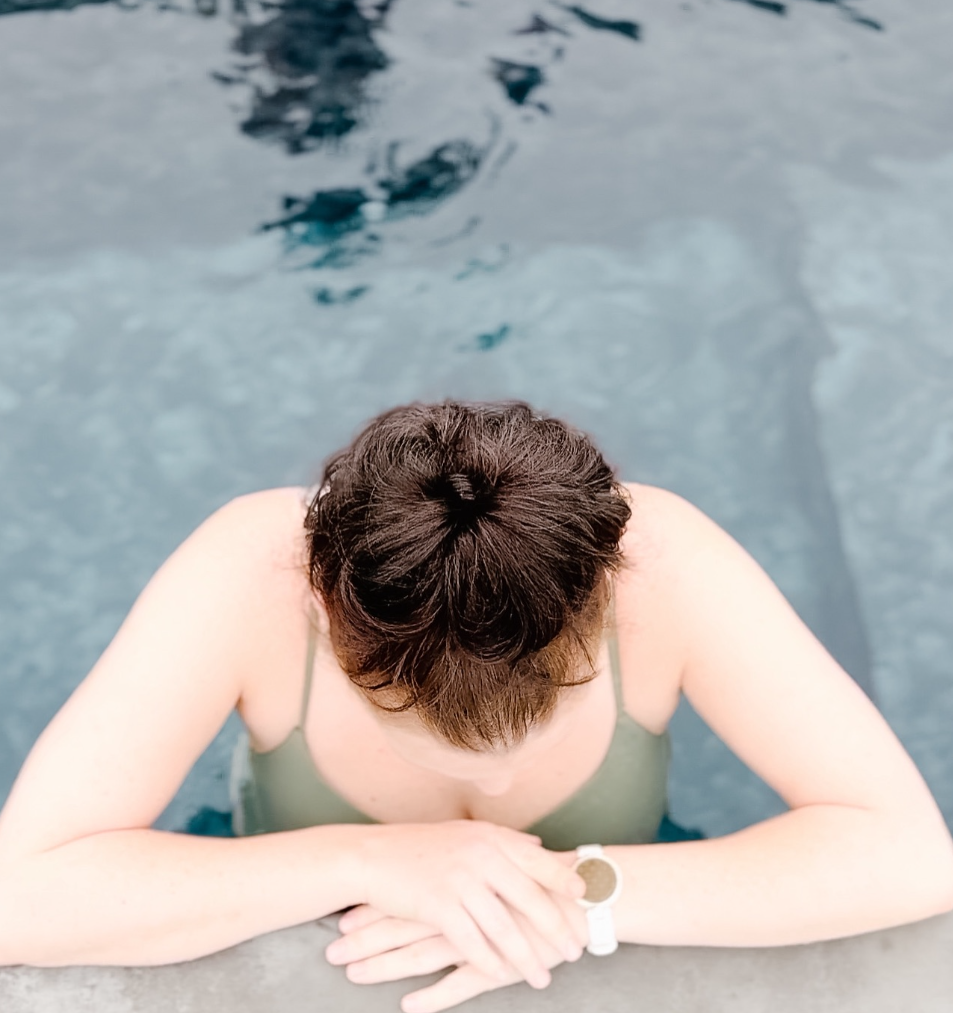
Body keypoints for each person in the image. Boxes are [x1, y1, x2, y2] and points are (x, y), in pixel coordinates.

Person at [0, 399, 951, 1013]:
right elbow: (20, 898)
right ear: (324, 617)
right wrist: (369, 856)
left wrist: (577, 895)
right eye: (446, 752)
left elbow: (909, 854)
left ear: (609, 597)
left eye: (516, 747)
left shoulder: (663, 564)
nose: (498, 786)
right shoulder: (249, 573)